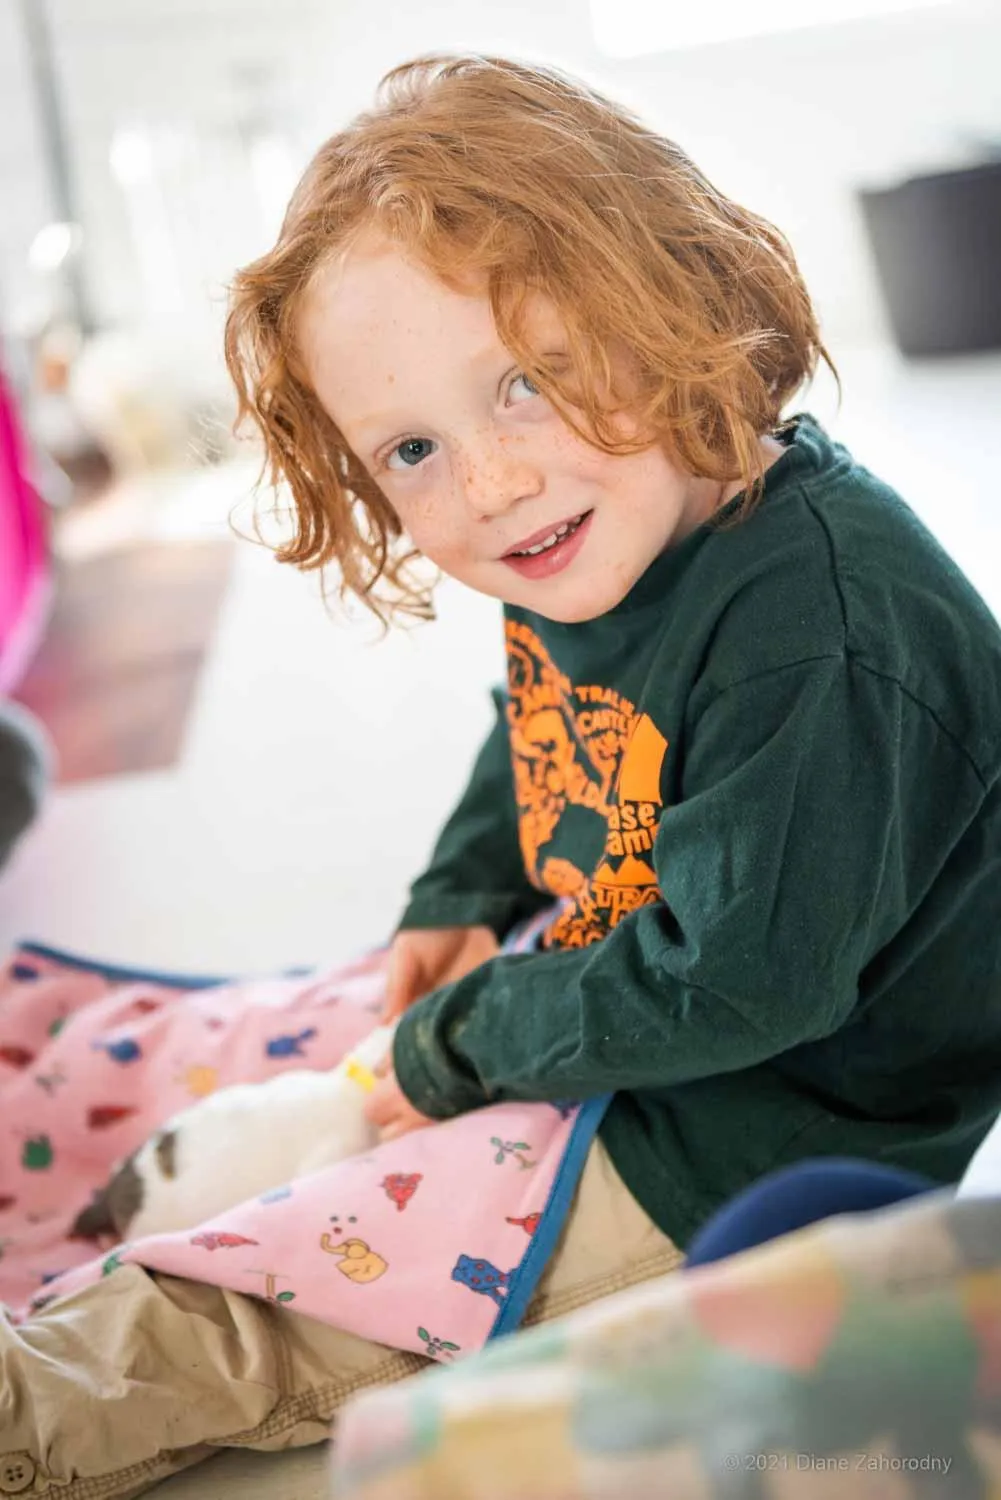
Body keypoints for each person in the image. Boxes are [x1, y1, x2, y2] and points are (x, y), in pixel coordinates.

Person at [3, 51, 1001, 1496]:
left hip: (759, 1131)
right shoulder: (601, 514)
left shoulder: (823, 636)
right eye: (412, 447)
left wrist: (451, 1050)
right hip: (626, 988)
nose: (486, 485)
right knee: (273, 1045)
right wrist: (461, 885)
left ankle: (43, 1399)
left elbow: (740, 987)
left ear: (666, 295)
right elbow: (533, 710)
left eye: (525, 383)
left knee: (302, 1283)